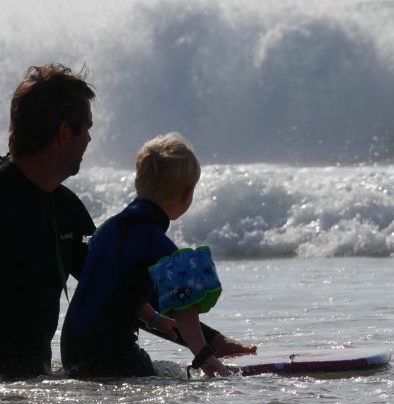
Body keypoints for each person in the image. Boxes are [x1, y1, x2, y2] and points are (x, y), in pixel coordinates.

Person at [0, 65, 248, 378]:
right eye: (86, 128)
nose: (90, 138)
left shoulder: (65, 209)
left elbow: (115, 292)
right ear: (63, 134)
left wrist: (210, 341)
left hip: (38, 392)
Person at [60, 132, 253, 378]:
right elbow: (184, 307)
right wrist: (205, 356)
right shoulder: (155, 241)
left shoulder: (109, 230)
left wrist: (154, 319)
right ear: (186, 195)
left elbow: (117, 288)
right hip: (112, 353)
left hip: (73, 348)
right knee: (162, 379)